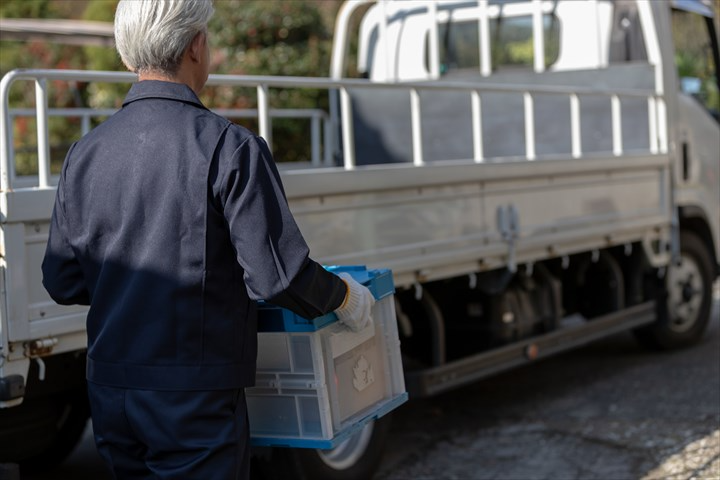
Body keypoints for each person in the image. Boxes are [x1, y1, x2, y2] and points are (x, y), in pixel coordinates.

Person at [41, 1, 374, 478]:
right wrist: (344, 297)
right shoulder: (229, 147)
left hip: (111, 392)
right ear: (197, 45)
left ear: (127, 55)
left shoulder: (84, 154)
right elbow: (277, 279)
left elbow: (63, 281)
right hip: (192, 399)